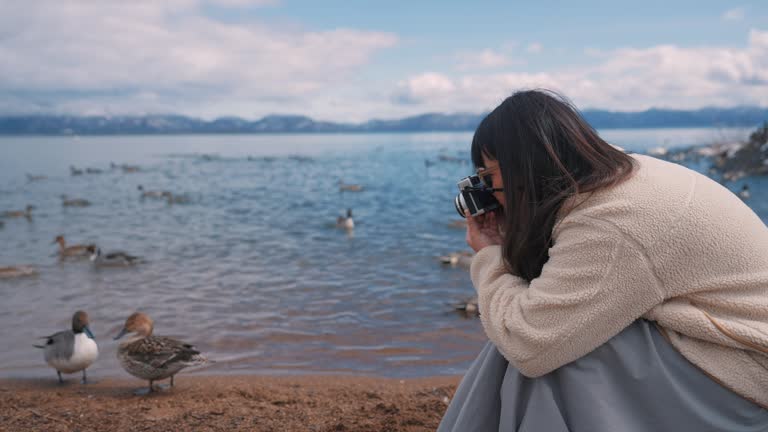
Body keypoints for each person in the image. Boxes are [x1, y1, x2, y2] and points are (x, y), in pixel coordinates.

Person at [438, 90, 768, 431]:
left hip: (747, 380)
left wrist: (491, 254)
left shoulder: (610, 221)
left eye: (488, 177)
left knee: (547, 355)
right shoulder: (620, 177)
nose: (485, 192)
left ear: (524, 170)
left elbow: (527, 343)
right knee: (543, 336)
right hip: (727, 349)